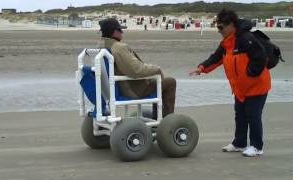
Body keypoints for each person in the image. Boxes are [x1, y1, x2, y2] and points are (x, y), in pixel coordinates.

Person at [189, 9, 271, 157]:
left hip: (257, 86)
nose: (219, 31)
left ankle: (257, 147)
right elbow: (216, 58)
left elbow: (261, 58)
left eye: (221, 27)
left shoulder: (246, 39)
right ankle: (239, 143)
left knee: (253, 116)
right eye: (217, 27)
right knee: (240, 115)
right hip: (240, 88)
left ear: (231, 25)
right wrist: (201, 68)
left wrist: (250, 73)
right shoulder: (226, 43)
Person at [99, 18, 176, 118]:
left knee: (155, 81)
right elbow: (136, 70)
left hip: (116, 88)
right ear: (114, 32)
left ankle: (158, 115)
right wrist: (157, 69)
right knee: (170, 82)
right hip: (132, 90)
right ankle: (168, 119)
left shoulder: (101, 47)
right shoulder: (119, 47)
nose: (122, 33)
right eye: (120, 30)